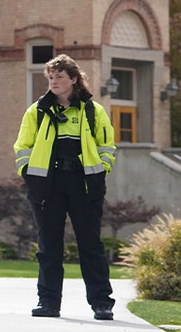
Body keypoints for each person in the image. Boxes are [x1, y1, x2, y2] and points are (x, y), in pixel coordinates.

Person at [14, 54, 117, 321]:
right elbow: (22, 147)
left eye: (59, 76)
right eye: (50, 77)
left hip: (84, 185)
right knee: (48, 246)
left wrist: (101, 171)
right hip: (47, 186)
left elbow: (107, 146)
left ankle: (101, 304)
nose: (53, 81)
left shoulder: (93, 111)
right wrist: (28, 174)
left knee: (90, 246)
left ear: (73, 79)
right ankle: (48, 303)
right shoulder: (37, 111)